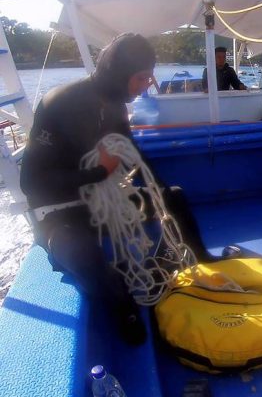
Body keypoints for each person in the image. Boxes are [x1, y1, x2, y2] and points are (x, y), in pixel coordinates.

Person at [20, 33, 216, 345]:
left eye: (150, 76)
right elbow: (30, 183)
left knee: (174, 197)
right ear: (118, 74)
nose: (148, 85)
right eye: (141, 77)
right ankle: (124, 311)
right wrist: (99, 172)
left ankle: (200, 259)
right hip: (57, 215)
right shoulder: (61, 103)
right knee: (87, 256)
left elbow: (136, 158)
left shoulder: (115, 106)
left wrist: (160, 198)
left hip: (100, 203)